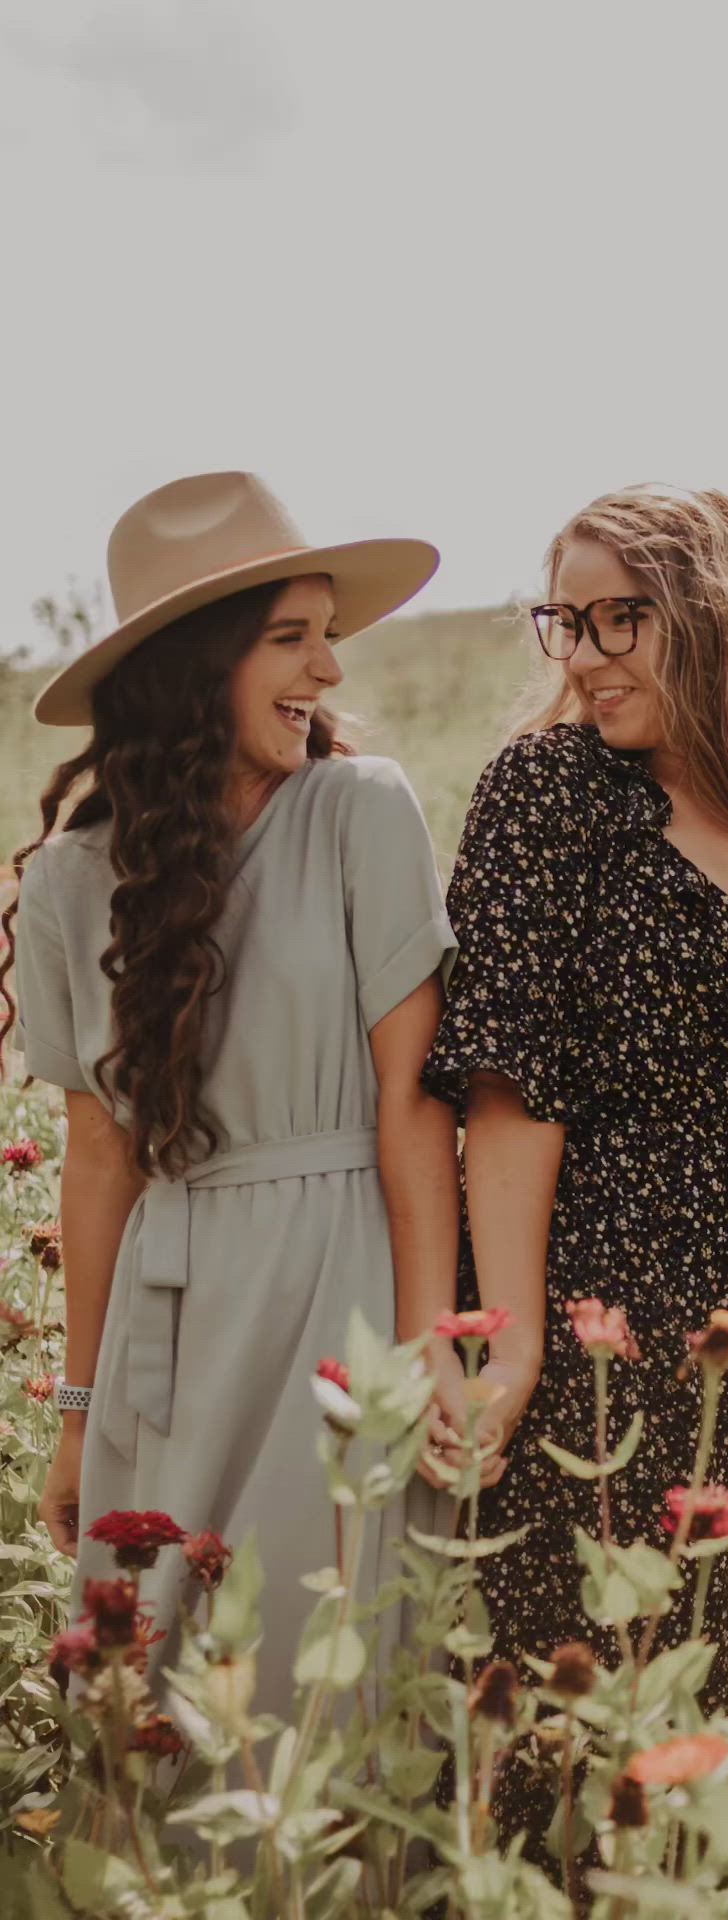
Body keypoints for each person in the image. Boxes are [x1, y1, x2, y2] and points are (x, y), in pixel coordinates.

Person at [421, 482, 728, 1843]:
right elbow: (512, 1086)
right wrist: (512, 1340)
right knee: (560, 1709)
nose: (575, 656)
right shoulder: (548, 793)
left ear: (709, 615)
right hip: (586, 1310)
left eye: (612, 620)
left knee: (716, 1682)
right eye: (561, 621)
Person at [2, 469, 470, 1717]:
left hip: (343, 1288)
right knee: (152, 1700)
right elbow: (96, 1162)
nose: (327, 671)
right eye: (290, 638)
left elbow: (415, 1099)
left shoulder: (360, 810)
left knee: (326, 1677)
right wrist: (75, 1409)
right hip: (174, 1312)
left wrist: (430, 1351)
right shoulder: (70, 879)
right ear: (193, 664)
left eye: (330, 636)